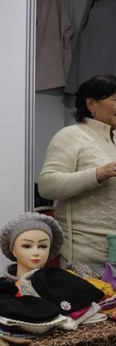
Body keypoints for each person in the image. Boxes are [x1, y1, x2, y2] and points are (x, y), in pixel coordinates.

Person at [38, 74, 116, 274]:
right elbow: (47, 185)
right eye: (115, 100)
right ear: (91, 104)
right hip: (87, 261)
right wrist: (98, 174)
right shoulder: (71, 136)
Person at [0, 212, 63, 280]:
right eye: (27, 246)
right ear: (13, 250)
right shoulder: (0, 286)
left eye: (42, 246)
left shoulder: (61, 284)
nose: (36, 252)